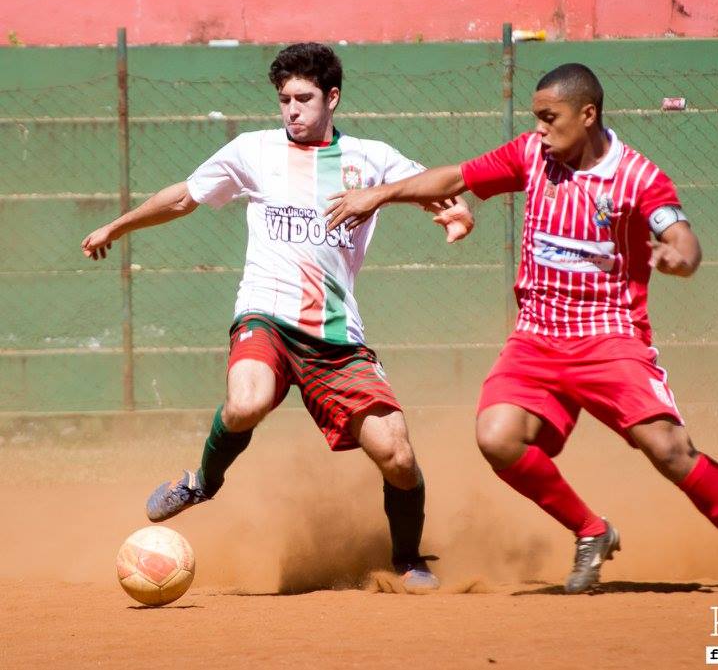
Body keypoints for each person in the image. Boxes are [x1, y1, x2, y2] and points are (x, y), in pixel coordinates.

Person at [323, 63, 718, 596]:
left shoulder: (638, 177)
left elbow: (682, 239)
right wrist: (378, 194)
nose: (540, 129)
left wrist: (676, 258)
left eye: (550, 118)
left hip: (609, 338)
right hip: (536, 338)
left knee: (668, 450)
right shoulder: (531, 155)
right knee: (496, 437)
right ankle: (592, 531)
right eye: (537, 118)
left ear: (587, 115)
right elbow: (455, 178)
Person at [80, 42, 473, 589]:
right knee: (246, 402)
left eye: (303, 98)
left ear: (332, 97)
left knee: (397, 455)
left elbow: (434, 185)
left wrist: (456, 210)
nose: (292, 109)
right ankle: (202, 481)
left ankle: (408, 558)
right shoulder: (254, 150)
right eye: (284, 99)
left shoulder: (370, 158)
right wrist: (117, 226)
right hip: (264, 315)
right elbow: (184, 198)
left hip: (335, 337)